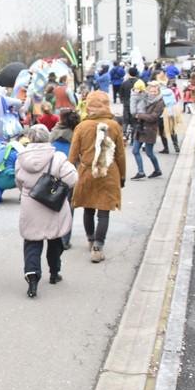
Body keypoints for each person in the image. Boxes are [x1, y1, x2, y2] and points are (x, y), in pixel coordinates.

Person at [15, 124, 79, 297]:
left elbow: (19, 182)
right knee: (54, 238)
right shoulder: (57, 157)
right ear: (47, 137)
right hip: (53, 204)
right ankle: (54, 272)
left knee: (32, 241)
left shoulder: (21, 158)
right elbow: (72, 179)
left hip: (30, 204)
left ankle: (32, 277)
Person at [67, 91, 125, 263]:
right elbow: (120, 154)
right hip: (109, 172)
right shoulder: (114, 126)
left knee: (88, 208)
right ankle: (98, 247)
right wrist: (122, 175)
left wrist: (70, 174)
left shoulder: (82, 127)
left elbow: (73, 154)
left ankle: (90, 238)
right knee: (104, 211)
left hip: (86, 171)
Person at [49, 108, 81, 249]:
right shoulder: (76, 133)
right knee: (69, 206)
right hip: (70, 171)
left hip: (53, 172)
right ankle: (65, 239)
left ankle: (53, 235)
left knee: (52, 204)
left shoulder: (54, 133)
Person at [130, 80, 164, 180]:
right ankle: (141, 171)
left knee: (149, 152)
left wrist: (139, 115)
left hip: (150, 129)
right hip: (140, 127)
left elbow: (153, 117)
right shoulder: (145, 97)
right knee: (135, 150)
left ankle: (157, 170)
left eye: (155, 91)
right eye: (151, 91)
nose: (153, 93)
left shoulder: (159, 102)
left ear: (158, 92)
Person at [119, 67, 139, 139]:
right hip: (136, 105)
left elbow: (121, 93)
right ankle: (134, 138)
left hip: (126, 104)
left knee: (125, 120)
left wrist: (123, 100)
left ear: (129, 73)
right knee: (134, 122)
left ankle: (124, 135)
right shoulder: (139, 83)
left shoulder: (124, 83)